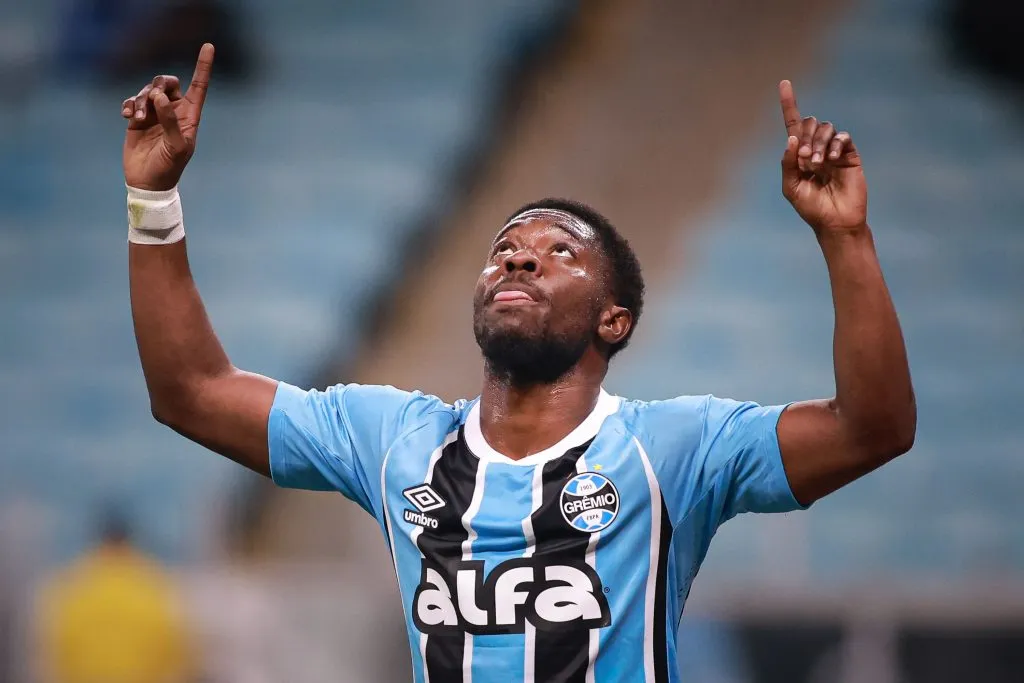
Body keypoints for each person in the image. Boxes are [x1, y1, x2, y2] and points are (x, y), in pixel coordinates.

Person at [121, 44, 916, 683]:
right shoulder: (394, 438)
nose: (519, 262)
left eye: (557, 253)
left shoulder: (676, 448)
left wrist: (844, 237)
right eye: (503, 250)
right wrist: (154, 202)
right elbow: (192, 393)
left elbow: (874, 427)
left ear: (615, 318)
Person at [33, 512, 194, 683]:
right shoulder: (157, 585)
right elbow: (176, 655)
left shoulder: (69, 586)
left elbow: (51, 653)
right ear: (131, 542)